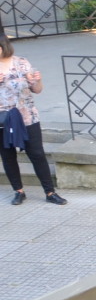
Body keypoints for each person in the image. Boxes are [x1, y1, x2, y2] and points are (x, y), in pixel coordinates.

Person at [1, 32, 67, 206]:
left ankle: (50, 192)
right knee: (8, 155)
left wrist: (37, 81)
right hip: (2, 119)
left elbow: (37, 90)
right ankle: (18, 191)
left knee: (37, 154)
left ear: (4, 46)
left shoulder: (22, 63)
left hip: (27, 116)